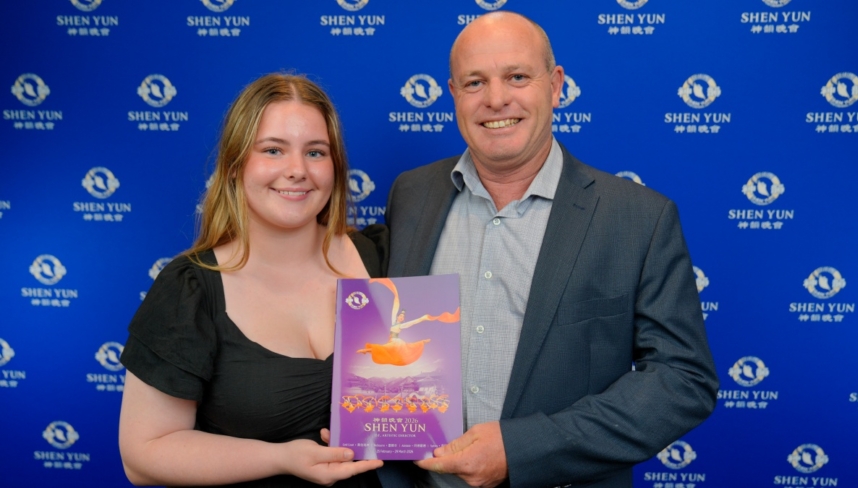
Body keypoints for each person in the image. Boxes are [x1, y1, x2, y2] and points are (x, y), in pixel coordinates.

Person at [382, 12, 718, 488]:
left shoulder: (638, 218)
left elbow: (683, 379)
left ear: (556, 86)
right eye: (475, 82)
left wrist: (522, 449)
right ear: (453, 94)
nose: (496, 99)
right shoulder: (411, 194)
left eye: (517, 77)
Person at [118, 73, 386, 487]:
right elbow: (143, 455)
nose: (297, 170)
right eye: (273, 150)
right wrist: (281, 458)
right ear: (235, 165)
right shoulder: (191, 288)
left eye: (315, 152)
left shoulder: (383, 257)